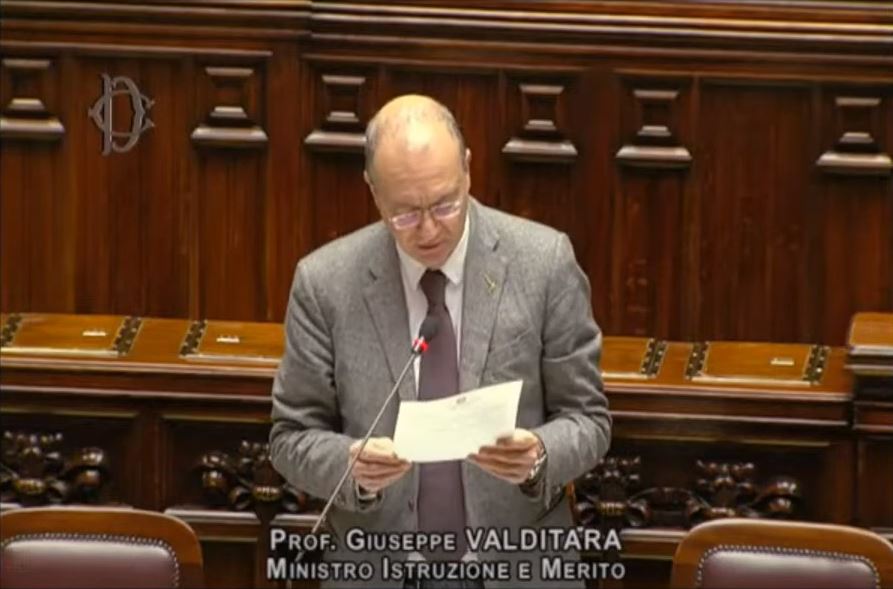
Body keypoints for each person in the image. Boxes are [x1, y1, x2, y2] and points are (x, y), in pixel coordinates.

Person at [270, 94, 611, 589]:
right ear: (373, 191)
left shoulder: (544, 263)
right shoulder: (325, 283)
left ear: (468, 170)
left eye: (446, 204)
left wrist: (539, 453)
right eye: (406, 214)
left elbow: (589, 419)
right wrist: (350, 466)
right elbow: (290, 438)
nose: (429, 229)